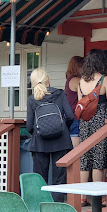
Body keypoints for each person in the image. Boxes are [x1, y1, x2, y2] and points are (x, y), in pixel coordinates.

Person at [26, 68, 73, 202]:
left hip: (40, 143)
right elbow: (70, 116)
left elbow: (29, 126)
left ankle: (41, 208)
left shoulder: (32, 99)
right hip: (61, 141)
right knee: (59, 179)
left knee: (40, 179)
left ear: (33, 82)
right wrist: (61, 129)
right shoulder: (60, 94)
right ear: (48, 80)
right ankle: (56, 208)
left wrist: (38, 133)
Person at [78, 49, 107, 193]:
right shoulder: (104, 80)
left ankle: (83, 196)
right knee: (98, 161)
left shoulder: (81, 81)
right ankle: (97, 195)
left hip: (85, 122)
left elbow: (81, 104)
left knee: (85, 159)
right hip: (100, 122)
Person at [64, 55, 84, 148]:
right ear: (78, 67)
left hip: (70, 116)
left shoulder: (69, 79)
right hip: (76, 117)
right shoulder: (76, 80)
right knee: (77, 151)